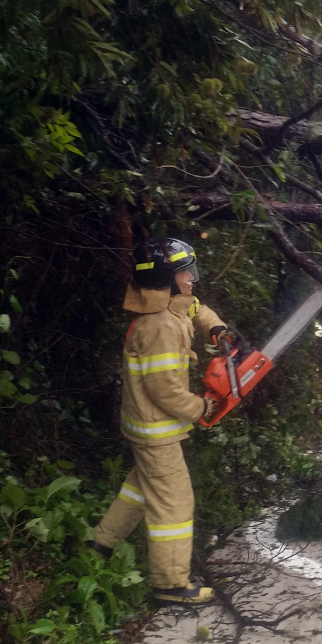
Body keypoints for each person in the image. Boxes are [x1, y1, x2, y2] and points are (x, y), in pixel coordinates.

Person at [86, 237, 228, 607]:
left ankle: (99, 543)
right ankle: (169, 584)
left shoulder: (167, 306)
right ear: (168, 279)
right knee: (174, 505)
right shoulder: (161, 327)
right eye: (186, 273)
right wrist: (201, 409)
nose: (192, 279)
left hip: (145, 426)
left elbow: (194, 308)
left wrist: (217, 329)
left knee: (139, 490)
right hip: (156, 431)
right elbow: (164, 390)